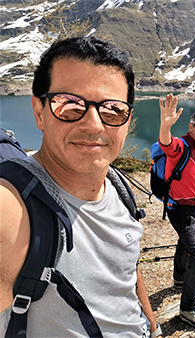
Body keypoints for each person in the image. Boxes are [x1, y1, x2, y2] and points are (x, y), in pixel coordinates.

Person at [0, 37, 161, 337]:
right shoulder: (15, 205)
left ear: (127, 121)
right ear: (39, 111)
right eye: (70, 105)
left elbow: (123, 267)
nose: (94, 125)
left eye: (113, 110)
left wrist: (150, 321)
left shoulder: (117, 185)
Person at [158, 94, 195, 329]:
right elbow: (166, 143)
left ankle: (180, 278)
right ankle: (188, 308)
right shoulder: (181, 145)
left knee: (185, 245)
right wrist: (165, 124)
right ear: (192, 126)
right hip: (181, 211)